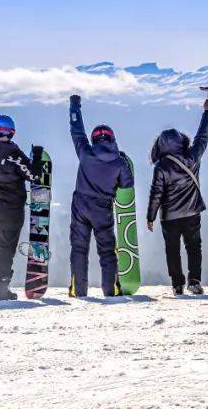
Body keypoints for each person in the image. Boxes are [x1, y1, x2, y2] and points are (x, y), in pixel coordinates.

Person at [0, 87, 44, 302]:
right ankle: (0, 291)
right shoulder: (14, 155)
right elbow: (34, 175)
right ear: (11, 132)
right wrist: (37, 155)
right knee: (6, 252)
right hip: (10, 215)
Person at [147, 91, 208, 295]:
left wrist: (150, 217)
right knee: (194, 247)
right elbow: (202, 137)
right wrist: (207, 113)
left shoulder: (161, 167)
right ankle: (194, 281)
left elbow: (156, 193)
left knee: (172, 250)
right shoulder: (192, 157)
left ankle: (177, 284)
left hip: (169, 217)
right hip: (192, 212)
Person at [68, 94, 134, 297]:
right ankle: (110, 290)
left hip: (80, 205)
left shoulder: (85, 153)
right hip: (102, 208)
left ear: (94, 139)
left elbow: (76, 130)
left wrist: (74, 106)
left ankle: (78, 290)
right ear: (113, 139)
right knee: (106, 251)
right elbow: (127, 185)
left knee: (79, 249)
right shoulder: (119, 162)